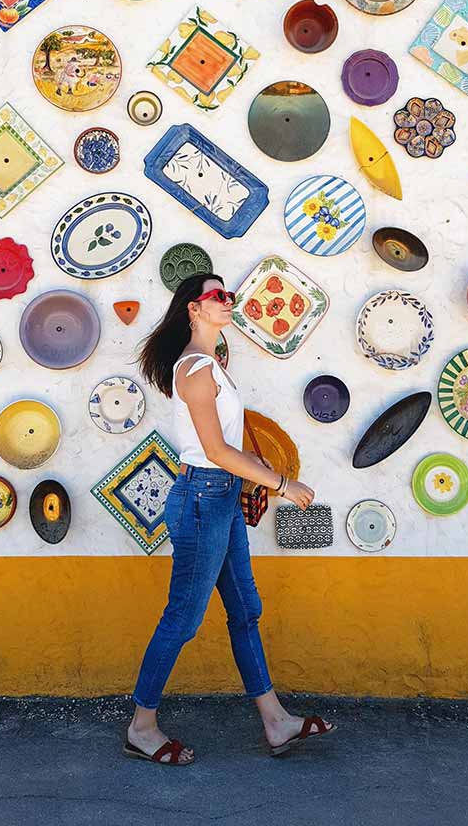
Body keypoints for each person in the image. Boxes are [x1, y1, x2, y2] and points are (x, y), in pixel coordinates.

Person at [124, 273, 337, 765]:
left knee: (245, 610)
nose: (228, 302)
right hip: (201, 501)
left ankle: (276, 722)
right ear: (193, 310)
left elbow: (227, 445)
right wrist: (281, 484)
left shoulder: (213, 364)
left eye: (229, 296)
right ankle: (141, 726)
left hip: (221, 500)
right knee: (182, 619)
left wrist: (258, 470)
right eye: (217, 296)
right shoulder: (195, 367)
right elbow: (216, 451)